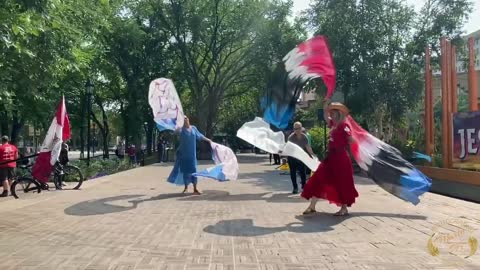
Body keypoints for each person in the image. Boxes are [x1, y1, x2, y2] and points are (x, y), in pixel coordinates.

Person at [301, 99, 359, 216]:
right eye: (330, 112)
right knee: (318, 178)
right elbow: (325, 116)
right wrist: (325, 105)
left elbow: (351, 139)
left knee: (341, 182)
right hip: (330, 157)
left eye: (333, 112)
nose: (331, 114)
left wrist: (347, 140)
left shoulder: (344, 125)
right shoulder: (334, 124)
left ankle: (344, 208)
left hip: (341, 158)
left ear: (338, 113)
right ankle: (312, 206)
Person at [167, 116, 212, 194]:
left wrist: (208, 140)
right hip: (183, 154)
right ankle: (186, 187)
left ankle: (195, 188)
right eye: (183, 119)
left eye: (186, 118)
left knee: (194, 170)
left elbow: (200, 136)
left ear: (188, 119)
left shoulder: (193, 128)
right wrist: (178, 125)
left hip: (192, 154)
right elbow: (175, 132)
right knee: (185, 171)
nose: (185, 119)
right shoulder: (181, 129)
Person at [286, 121, 315, 194]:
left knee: (302, 172)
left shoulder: (304, 137)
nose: (297, 130)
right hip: (292, 157)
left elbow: (308, 147)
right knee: (293, 172)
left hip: (300, 156)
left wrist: (312, 155)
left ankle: (304, 187)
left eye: (298, 128)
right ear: (293, 129)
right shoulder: (291, 137)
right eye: (295, 128)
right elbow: (288, 148)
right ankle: (295, 188)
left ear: (301, 128)